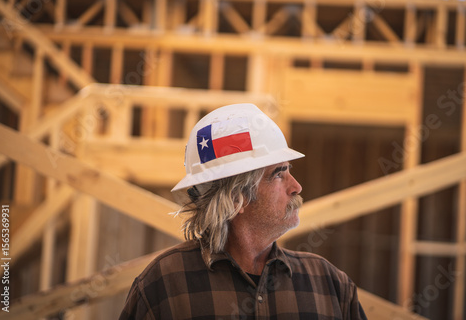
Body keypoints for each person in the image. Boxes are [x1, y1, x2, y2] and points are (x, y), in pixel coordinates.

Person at [119, 103, 367, 320]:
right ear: (236, 198)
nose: (296, 187)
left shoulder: (329, 285)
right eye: (278, 174)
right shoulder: (163, 284)